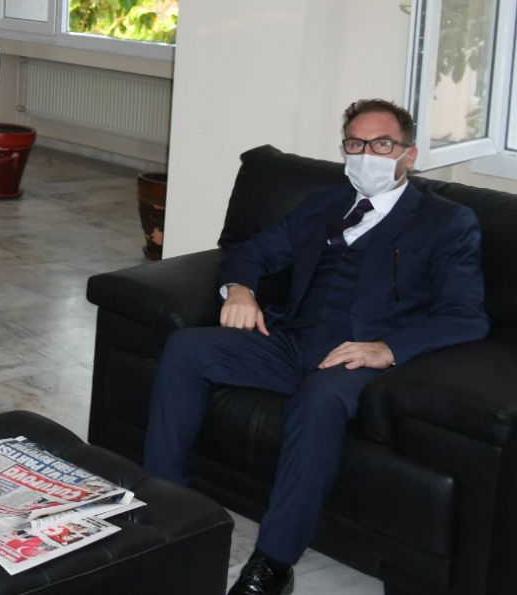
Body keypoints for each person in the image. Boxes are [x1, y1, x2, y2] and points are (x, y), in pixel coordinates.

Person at [143, 98, 488, 595]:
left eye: (382, 144)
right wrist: (239, 290)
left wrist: (387, 348)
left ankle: (273, 562)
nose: (367, 155)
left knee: (319, 399)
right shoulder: (323, 204)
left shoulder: (445, 222)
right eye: (356, 144)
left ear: (409, 155)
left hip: (357, 358)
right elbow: (251, 251)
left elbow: (465, 315)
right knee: (186, 348)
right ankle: (166, 513)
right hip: (291, 341)